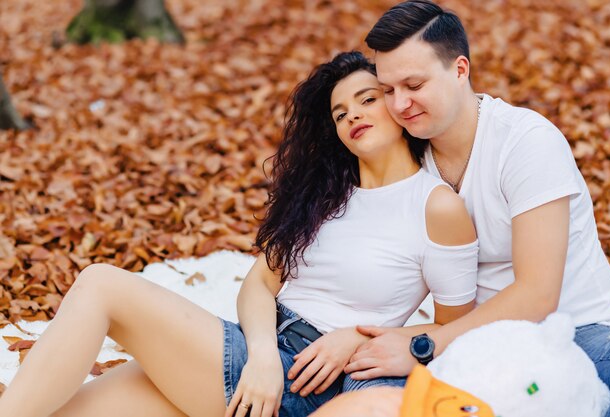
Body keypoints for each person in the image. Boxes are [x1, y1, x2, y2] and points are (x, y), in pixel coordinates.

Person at [0, 51, 479, 417]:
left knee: (103, 283)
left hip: (325, 380)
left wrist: (354, 337)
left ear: (397, 107)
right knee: (70, 407)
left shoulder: (434, 203)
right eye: (339, 112)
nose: (352, 115)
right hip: (261, 353)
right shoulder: (328, 195)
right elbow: (259, 284)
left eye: (367, 99)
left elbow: (452, 328)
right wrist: (265, 357)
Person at [340, 2, 610, 416]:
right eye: (388, 90)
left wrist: (425, 346)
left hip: (577, 334)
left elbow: (537, 295)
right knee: (370, 381)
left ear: (460, 70)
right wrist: (357, 338)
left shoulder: (525, 142)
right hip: (477, 346)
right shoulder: (408, 158)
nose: (400, 104)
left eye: (414, 85)